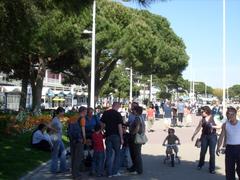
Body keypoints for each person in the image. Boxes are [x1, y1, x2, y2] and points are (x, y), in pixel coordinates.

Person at [191, 106, 219, 174]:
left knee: (212, 153)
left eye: (202, 111)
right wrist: (194, 135)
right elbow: (198, 128)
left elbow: (220, 126)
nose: (201, 113)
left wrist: (213, 126)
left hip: (212, 136)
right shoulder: (202, 119)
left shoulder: (214, 117)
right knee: (203, 152)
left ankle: (212, 168)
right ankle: (200, 164)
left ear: (207, 111)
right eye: (201, 112)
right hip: (204, 137)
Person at [100, 102, 124, 177]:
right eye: (119, 107)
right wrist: (121, 137)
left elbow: (102, 124)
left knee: (109, 154)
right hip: (116, 136)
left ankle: (109, 172)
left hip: (108, 135)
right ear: (116, 106)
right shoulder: (118, 114)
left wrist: (103, 130)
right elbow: (120, 127)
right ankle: (115, 171)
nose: (119, 108)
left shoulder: (106, 113)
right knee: (117, 154)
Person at [216, 106, 240, 180]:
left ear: (235, 114)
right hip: (229, 149)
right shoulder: (225, 125)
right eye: (227, 114)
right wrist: (218, 147)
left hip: (239, 148)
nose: (229, 115)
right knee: (229, 170)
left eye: (230, 114)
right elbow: (221, 137)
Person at [68, 106, 87, 179]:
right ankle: (76, 175)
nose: (86, 113)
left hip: (72, 139)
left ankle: (73, 173)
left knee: (73, 157)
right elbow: (83, 129)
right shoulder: (82, 118)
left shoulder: (72, 117)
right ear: (83, 111)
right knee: (78, 158)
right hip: (79, 140)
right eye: (85, 112)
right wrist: (84, 138)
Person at [128, 106, 145, 175]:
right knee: (136, 153)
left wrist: (133, 133)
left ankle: (139, 169)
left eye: (133, 110)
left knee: (136, 154)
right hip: (139, 136)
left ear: (136, 111)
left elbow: (137, 127)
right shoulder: (141, 117)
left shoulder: (137, 118)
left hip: (135, 137)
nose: (132, 111)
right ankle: (135, 168)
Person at [50, 107, 68, 173]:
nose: (63, 113)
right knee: (55, 154)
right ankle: (54, 169)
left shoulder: (57, 119)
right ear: (59, 112)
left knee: (63, 152)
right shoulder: (55, 120)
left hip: (58, 138)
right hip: (55, 138)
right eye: (63, 112)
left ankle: (63, 168)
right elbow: (49, 127)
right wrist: (55, 130)